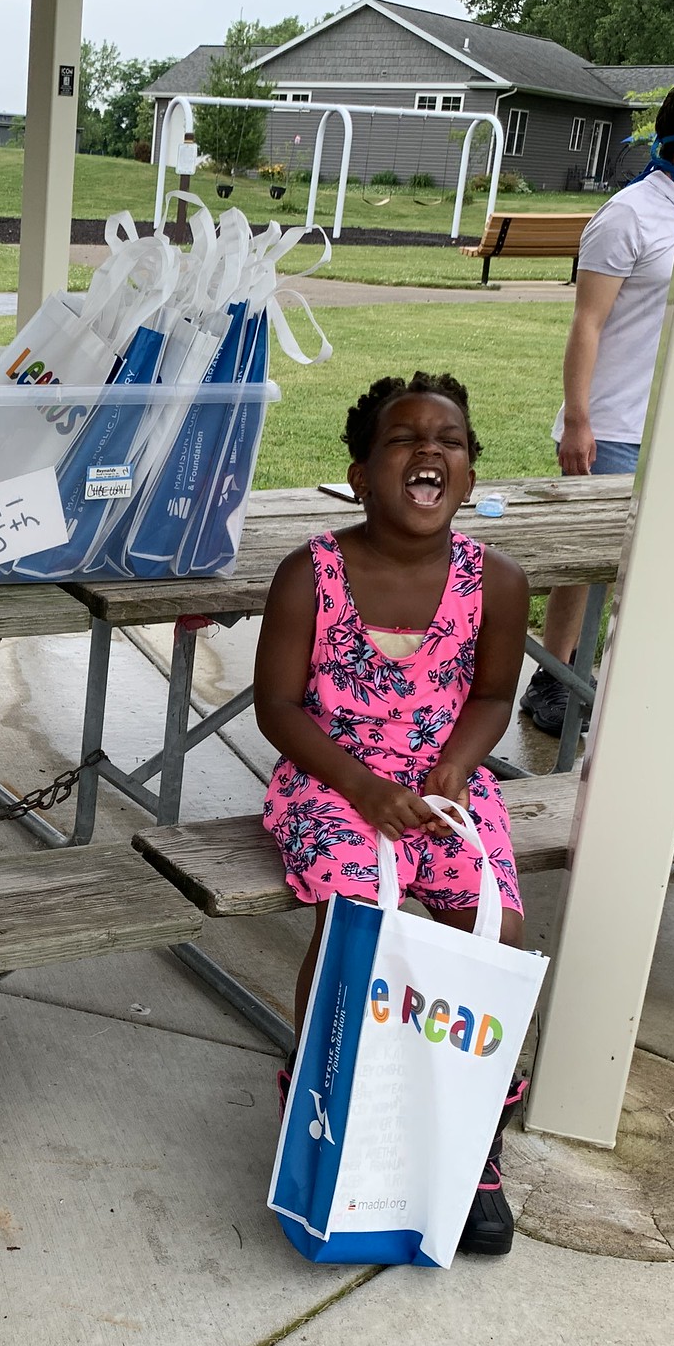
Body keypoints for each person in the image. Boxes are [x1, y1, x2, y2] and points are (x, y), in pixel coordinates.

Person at [254, 372, 532, 1256]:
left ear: (471, 473)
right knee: (358, 922)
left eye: (449, 440)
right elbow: (278, 707)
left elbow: (491, 694)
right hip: (333, 777)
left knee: (494, 926)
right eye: (404, 441)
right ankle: (324, 1096)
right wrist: (363, 788)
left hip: (443, 778)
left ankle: (470, 1131)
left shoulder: (498, 582)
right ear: (362, 473)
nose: (428, 453)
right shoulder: (312, 573)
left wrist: (456, 764)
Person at [522, 68, 674, 738]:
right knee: (588, 561)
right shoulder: (629, 214)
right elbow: (587, 324)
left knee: (645, 562)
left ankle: (598, 673)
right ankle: (555, 675)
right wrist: (578, 418)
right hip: (613, 424)